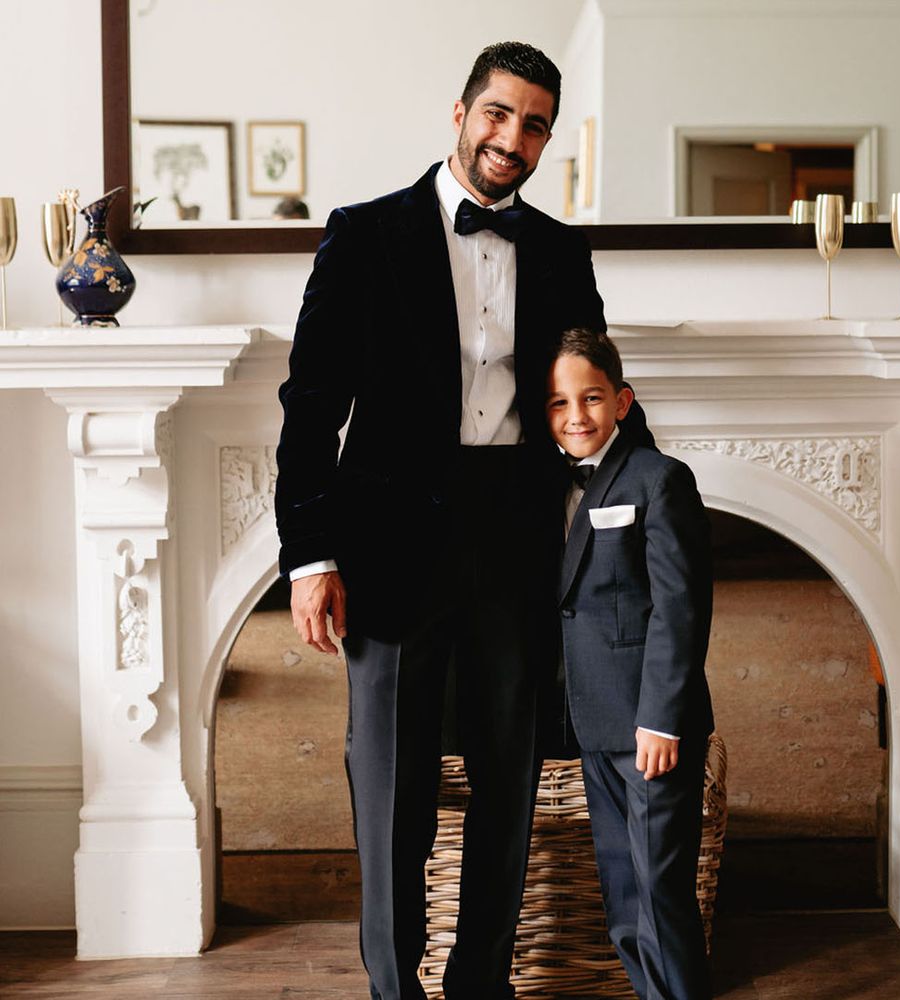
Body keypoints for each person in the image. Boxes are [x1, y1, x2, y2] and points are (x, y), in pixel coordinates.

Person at [275, 42, 648, 1000]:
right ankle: (394, 989)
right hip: (390, 543)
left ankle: (482, 984)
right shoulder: (364, 235)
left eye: (533, 126)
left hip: (521, 541)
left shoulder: (562, 252)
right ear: (460, 112)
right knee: (392, 789)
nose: (510, 139)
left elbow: (585, 399)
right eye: (498, 114)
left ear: (546, 140)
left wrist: (628, 511)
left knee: (509, 778)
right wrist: (310, 555)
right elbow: (312, 407)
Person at [546, 327, 715, 1000]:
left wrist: (662, 722)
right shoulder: (546, 488)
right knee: (621, 889)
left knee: (660, 888)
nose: (576, 416)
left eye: (590, 398)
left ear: (622, 401)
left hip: (651, 728)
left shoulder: (658, 479)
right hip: (594, 721)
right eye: (559, 403)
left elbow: (680, 611)